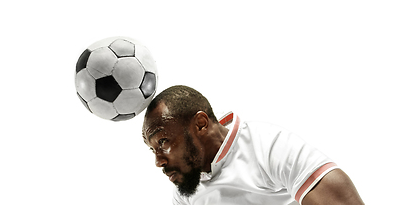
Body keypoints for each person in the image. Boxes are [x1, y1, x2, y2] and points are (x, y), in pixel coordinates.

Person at [142, 85, 364, 205]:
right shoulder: (185, 193)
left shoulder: (267, 146)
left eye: (163, 142)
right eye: (152, 149)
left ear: (200, 124)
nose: (158, 161)